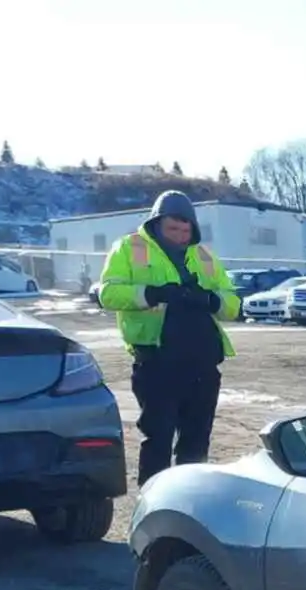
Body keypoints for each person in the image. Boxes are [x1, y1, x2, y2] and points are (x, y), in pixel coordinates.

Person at [100, 191, 238, 489]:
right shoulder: (129, 248)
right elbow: (107, 293)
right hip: (157, 361)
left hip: (202, 362)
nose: (179, 236)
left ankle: (190, 502)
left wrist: (212, 300)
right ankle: (153, 502)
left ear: (194, 229)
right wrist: (152, 294)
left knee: (197, 439)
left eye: (185, 230)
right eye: (173, 229)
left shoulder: (204, 255)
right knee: (158, 438)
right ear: (157, 223)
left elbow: (233, 303)